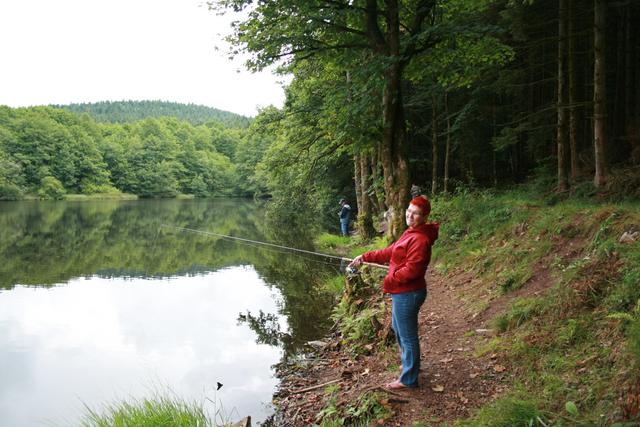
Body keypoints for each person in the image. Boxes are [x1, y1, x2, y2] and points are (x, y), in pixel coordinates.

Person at [349, 195, 438, 390]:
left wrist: (389, 279)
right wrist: (364, 256)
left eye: (416, 213)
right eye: (409, 210)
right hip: (402, 292)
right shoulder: (411, 232)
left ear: (424, 216)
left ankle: (409, 379)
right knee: (399, 330)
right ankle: (410, 365)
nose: (410, 215)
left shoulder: (420, 239)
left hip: (409, 293)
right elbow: (391, 252)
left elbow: (413, 270)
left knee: (407, 335)